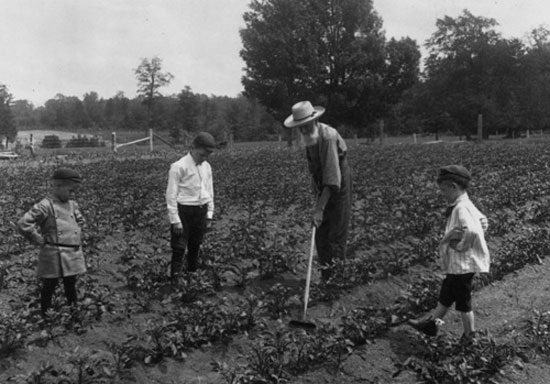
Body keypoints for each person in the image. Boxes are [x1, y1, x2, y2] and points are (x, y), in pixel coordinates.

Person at [408, 165, 490, 342]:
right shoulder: (466, 204)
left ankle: (469, 336)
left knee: (463, 303)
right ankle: (431, 325)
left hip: (463, 265)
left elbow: (474, 231)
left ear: (453, 186)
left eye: (444, 190)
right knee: (446, 295)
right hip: (458, 266)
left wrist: (461, 246)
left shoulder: (461, 208)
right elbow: (483, 221)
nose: (442, 194)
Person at [284, 101, 352, 281]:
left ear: (314, 122)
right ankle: (326, 277)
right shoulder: (310, 139)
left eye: (306, 127)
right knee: (321, 233)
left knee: (335, 234)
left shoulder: (327, 137)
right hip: (324, 184)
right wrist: (318, 202)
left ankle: (336, 280)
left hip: (338, 184)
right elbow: (316, 172)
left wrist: (320, 209)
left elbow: (332, 179)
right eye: (300, 128)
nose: (303, 131)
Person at [17, 168, 86, 316]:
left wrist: (78, 226)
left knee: (71, 285)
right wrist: (37, 239)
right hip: (53, 252)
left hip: (72, 252)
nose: (73, 194)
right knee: (49, 286)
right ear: (57, 186)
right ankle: (46, 316)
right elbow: (23, 223)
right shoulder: (45, 205)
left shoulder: (72, 204)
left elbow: (78, 220)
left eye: (75, 191)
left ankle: (74, 315)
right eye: (70, 190)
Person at [166, 132, 217, 280]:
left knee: (195, 246)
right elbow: (171, 195)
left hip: (200, 211)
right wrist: (175, 219)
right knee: (179, 248)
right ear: (194, 148)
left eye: (208, 154)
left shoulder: (206, 167)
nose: (205, 157)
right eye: (203, 154)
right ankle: (175, 281)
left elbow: (209, 190)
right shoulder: (178, 167)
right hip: (184, 212)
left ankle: (192, 278)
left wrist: (209, 214)